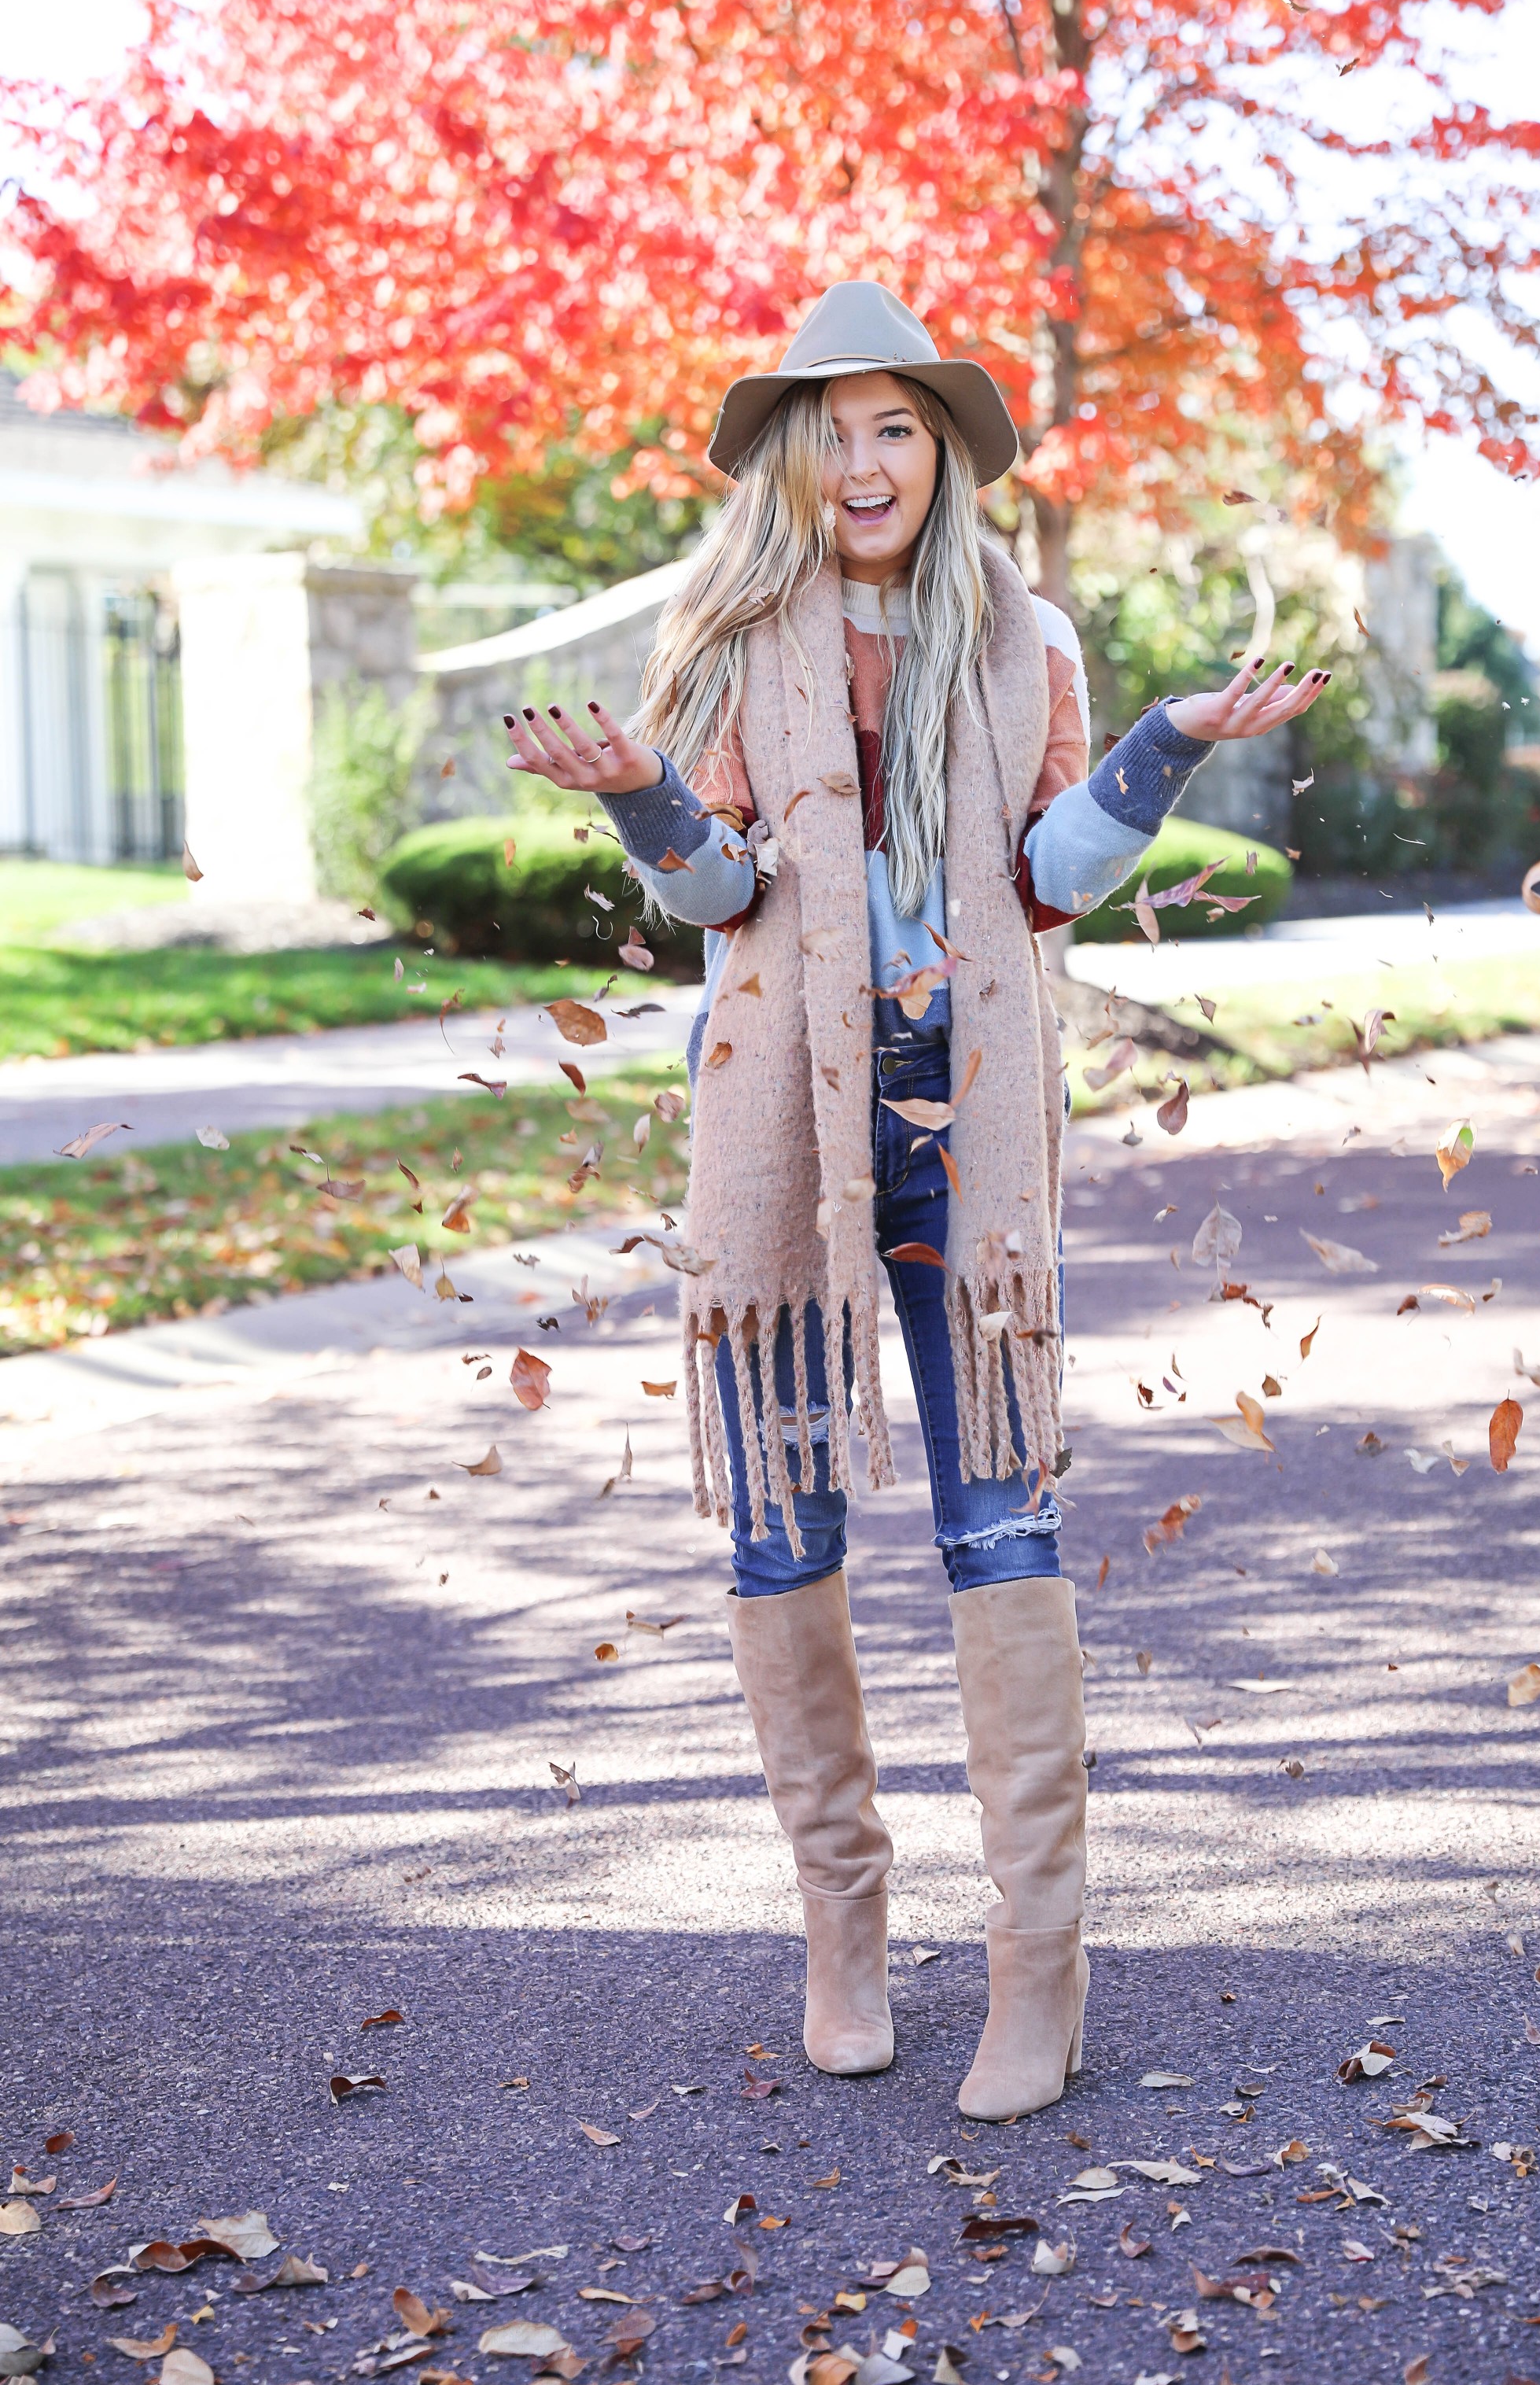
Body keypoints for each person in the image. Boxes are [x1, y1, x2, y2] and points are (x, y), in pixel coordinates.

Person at [503, 280, 1327, 2120]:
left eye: (897, 427)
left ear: (941, 452)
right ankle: (845, 1932)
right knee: (780, 1536)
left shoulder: (1023, 635)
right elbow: (717, 900)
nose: (865, 459)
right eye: (832, 427)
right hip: (775, 1135)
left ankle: (1040, 1968)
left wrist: (1169, 741)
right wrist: (642, 793)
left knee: (993, 1528)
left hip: (968, 1117)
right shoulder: (720, 637)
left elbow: (1046, 878)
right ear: (788, 455)